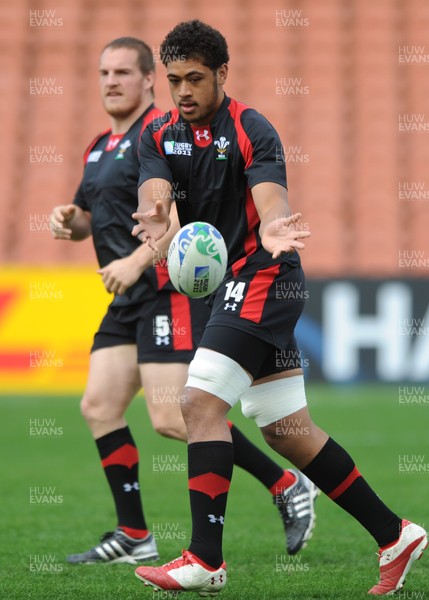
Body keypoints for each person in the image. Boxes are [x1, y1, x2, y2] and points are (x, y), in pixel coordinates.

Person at [132, 20, 428, 596]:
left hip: (266, 275)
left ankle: (205, 560)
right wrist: (154, 211)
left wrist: (272, 229)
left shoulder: (251, 128)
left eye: (196, 78)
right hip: (233, 286)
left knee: (197, 404)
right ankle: (396, 535)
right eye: (174, 80)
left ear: (222, 74)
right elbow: (155, 189)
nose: (184, 91)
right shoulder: (158, 134)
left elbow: (272, 200)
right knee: (287, 429)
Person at [49, 36, 318, 565]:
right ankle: (134, 534)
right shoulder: (99, 147)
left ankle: (285, 482)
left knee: (177, 417)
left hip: (160, 292)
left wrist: (138, 260)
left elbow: (173, 214)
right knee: (99, 406)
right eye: (104, 73)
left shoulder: (164, 135)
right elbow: (94, 219)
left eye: (123, 73)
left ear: (149, 78)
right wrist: (71, 221)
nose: (111, 82)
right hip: (124, 297)